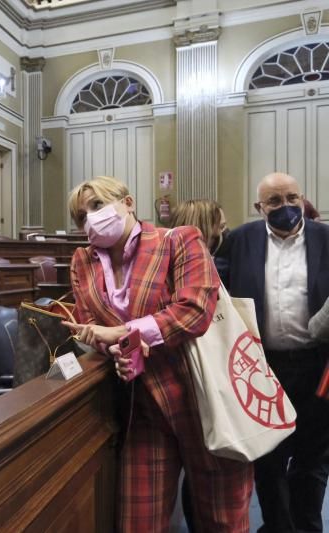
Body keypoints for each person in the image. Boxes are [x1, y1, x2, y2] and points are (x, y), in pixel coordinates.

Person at [63, 176, 252, 532]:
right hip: (141, 408)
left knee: (223, 520)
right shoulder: (82, 261)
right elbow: (90, 322)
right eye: (80, 216)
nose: (90, 218)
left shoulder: (178, 240)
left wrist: (124, 332)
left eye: (98, 205)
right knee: (138, 523)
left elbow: (194, 310)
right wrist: (112, 346)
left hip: (203, 400)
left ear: (128, 202)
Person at [217, 172, 329, 532]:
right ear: (259, 207)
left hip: (317, 364)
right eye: (275, 202)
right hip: (262, 368)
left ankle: (308, 525)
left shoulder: (326, 238)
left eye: (292, 198)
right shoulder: (240, 240)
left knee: (312, 457)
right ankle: (278, 526)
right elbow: (214, 287)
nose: (286, 207)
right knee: (268, 456)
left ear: (302, 198)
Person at [169, 198, 233, 532]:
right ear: (205, 227)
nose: (224, 232)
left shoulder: (163, 260)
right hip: (204, 378)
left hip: (175, 378)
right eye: (220, 226)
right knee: (212, 472)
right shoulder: (207, 267)